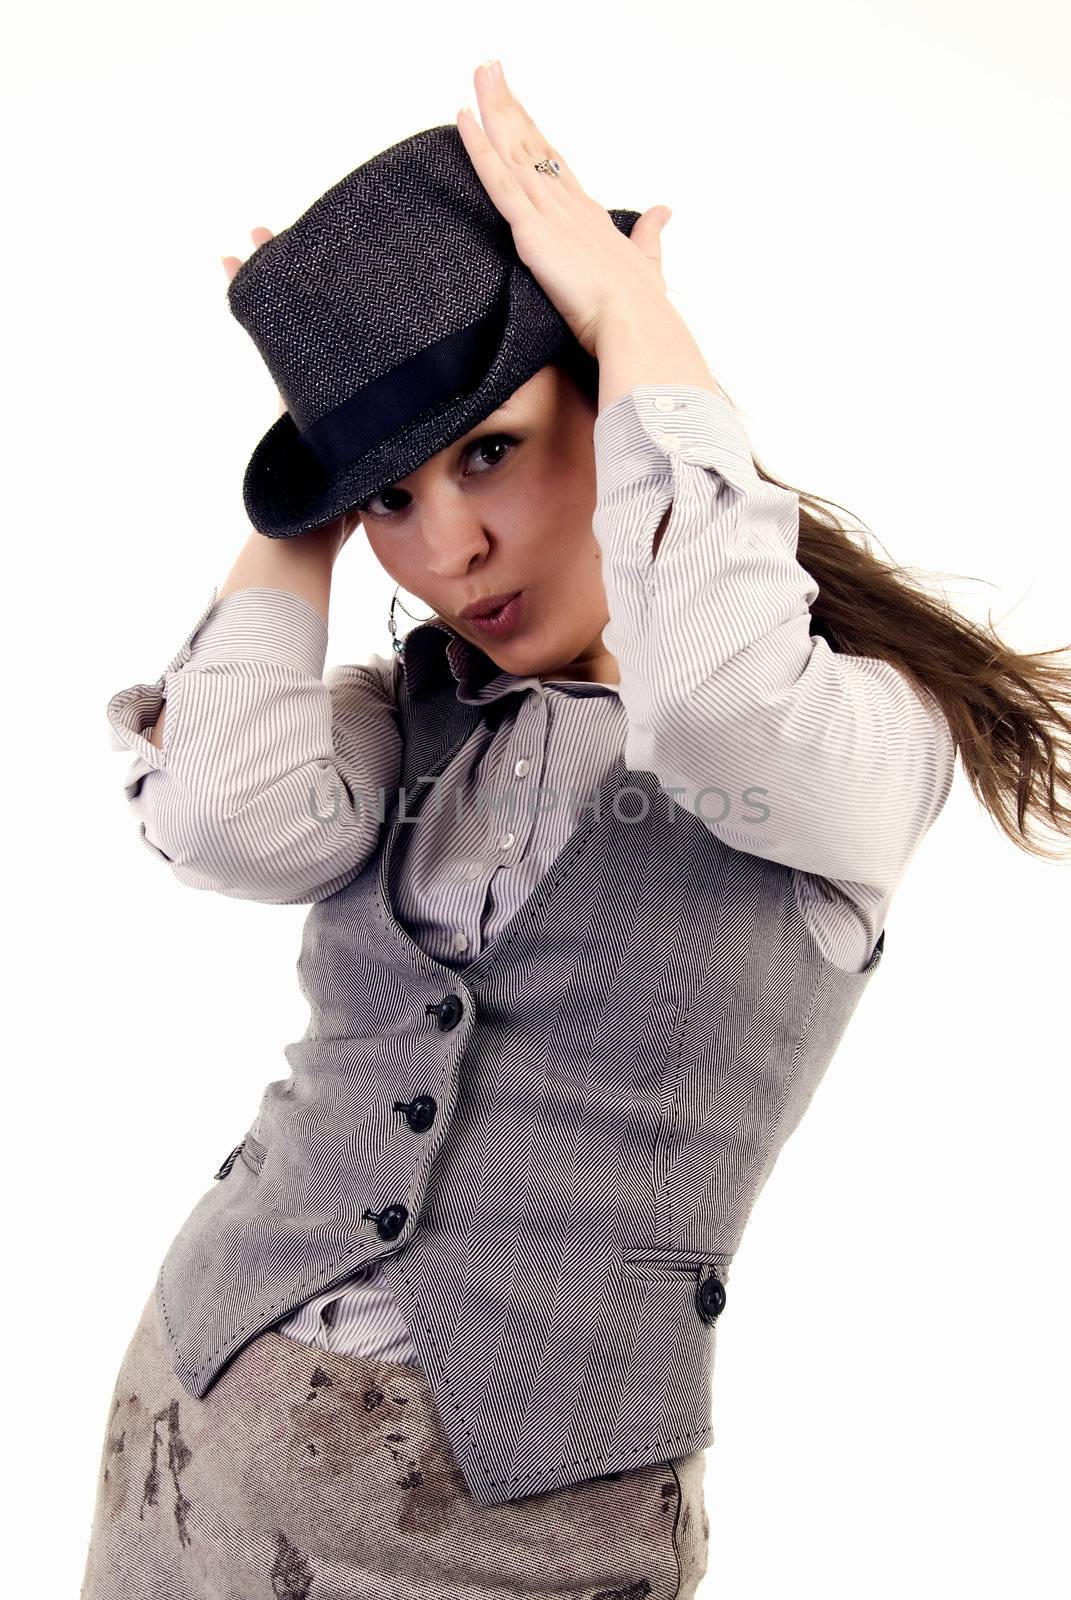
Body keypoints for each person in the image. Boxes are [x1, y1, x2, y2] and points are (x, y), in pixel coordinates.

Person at [81, 62, 1071, 1600]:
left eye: (490, 451)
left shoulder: (862, 740)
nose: (449, 548)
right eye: (390, 504)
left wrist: (639, 326)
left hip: (525, 1527)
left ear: (615, 414)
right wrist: (311, 487)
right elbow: (216, 814)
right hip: (190, 1424)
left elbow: (713, 705)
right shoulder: (399, 720)